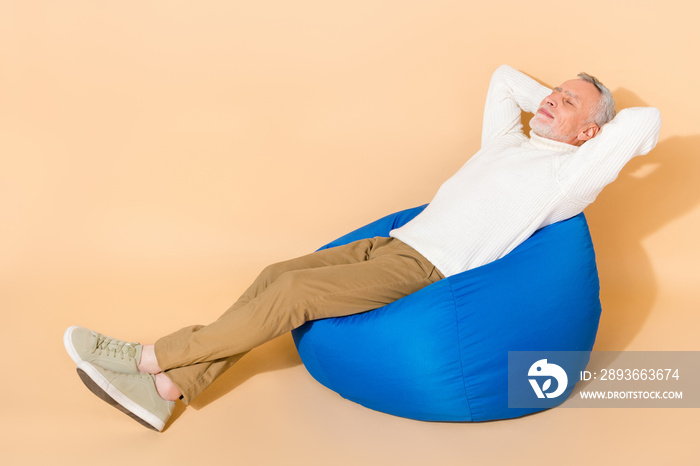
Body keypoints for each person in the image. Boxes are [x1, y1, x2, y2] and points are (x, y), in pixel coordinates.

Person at [64, 65, 661, 431]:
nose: (550, 99)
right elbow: (504, 77)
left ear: (591, 133)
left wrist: (588, 130)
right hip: (393, 240)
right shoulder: (506, 143)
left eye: (568, 101)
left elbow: (644, 122)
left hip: (425, 267)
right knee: (278, 273)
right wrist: (556, 103)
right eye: (552, 91)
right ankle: (171, 391)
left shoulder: (567, 181)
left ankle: (150, 358)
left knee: (295, 294)